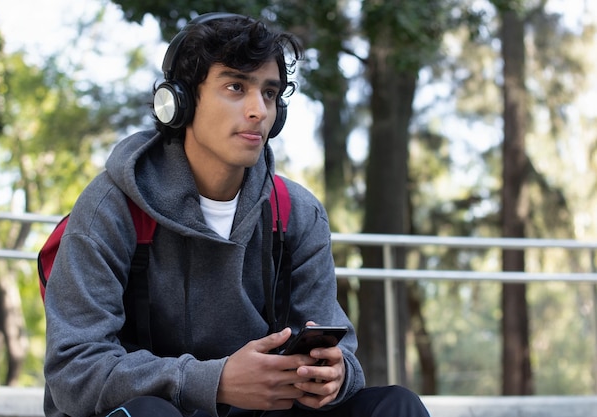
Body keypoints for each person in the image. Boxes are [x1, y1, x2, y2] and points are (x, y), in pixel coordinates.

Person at [43, 12, 430, 417]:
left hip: (261, 412)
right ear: (179, 100)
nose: (258, 111)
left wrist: (336, 376)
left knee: (397, 405)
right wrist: (217, 381)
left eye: (268, 94)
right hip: (153, 409)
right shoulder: (112, 206)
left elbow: (340, 350)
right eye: (235, 86)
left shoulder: (295, 212)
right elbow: (75, 370)